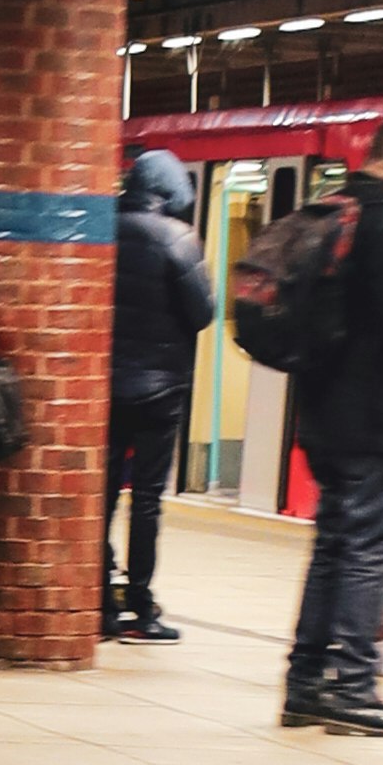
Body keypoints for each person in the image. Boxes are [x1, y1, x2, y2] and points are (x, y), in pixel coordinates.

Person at [281, 120, 383, 735]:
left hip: (325, 412)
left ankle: (304, 685)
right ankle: (353, 687)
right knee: (366, 554)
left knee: (332, 548)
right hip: (378, 417)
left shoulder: (333, 209)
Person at [103, 145, 212, 638]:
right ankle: (141, 608)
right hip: (160, 391)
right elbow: (203, 313)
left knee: (100, 496)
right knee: (146, 500)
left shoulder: (101, 232)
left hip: (105, 389)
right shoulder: (178, 239)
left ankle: (99, 602)